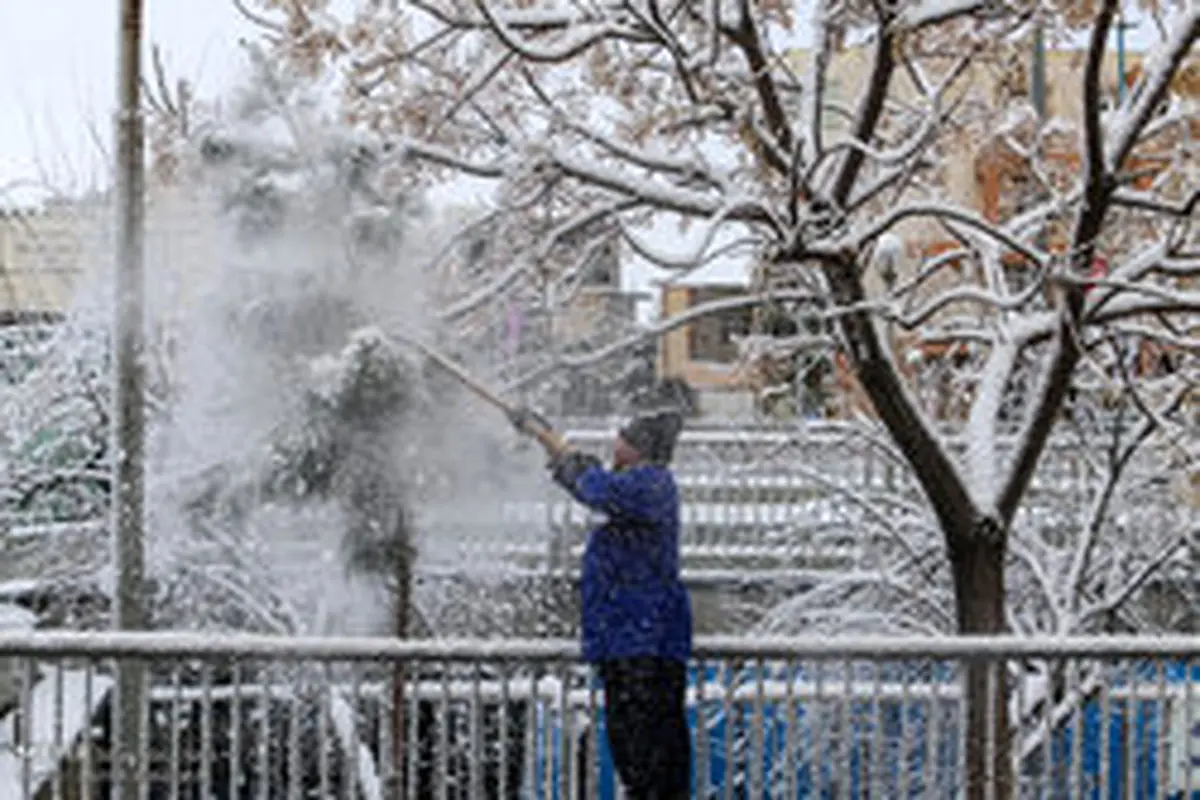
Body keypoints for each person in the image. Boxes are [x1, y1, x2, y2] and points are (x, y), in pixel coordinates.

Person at [509, 407, 693, 800]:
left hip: (643, 645)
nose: (616, 442)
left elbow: (597, 489)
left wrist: (565, 458)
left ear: (640, 449)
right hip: (632, 642)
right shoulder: (639, 487)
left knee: (646, 756)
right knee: (640, 754)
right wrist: (556, 449)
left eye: (623, 438)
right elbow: (595, 483)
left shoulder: (651, 485)